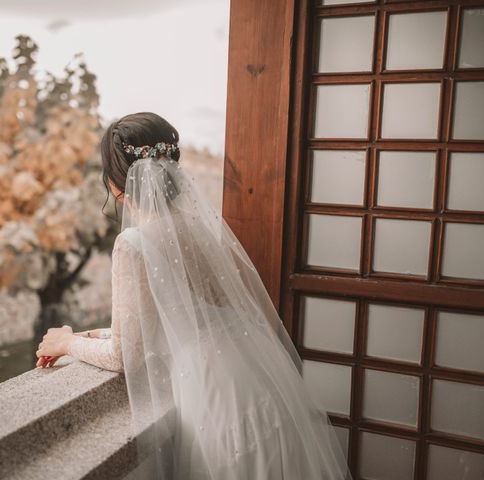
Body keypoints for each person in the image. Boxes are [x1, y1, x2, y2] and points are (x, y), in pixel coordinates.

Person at [35, 112, 351, 479]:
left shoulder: (132, 243)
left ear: (116, 181)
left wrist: (66, 342)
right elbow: (178, 318)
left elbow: (126, 356)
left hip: (218, 395)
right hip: (260, 378)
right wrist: (95, 333)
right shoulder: (205, 230)